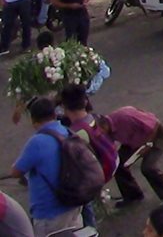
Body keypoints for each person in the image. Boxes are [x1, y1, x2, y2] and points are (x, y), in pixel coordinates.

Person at [9, 97, 83, 236]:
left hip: (50, 213)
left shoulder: (37, 142)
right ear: (55, 115)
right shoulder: (67, 132)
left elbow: (16, 172)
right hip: (74, 204)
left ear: (33, 121)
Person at [60, 86, 117, 229]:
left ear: (65, 108)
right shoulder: (95, 118)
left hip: (96, 172)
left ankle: (90, 228)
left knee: (84, 202)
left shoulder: (76, 133)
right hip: (111, 161)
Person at [98, 106, 163, 208]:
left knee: (148, 167)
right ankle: (133, 195)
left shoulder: (125, 117)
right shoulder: (108, 130)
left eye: (101, 131)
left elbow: (154, 124)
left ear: (104, 125)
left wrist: (147, 144)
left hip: (155, 136)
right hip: (134, 142)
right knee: (118, 164)